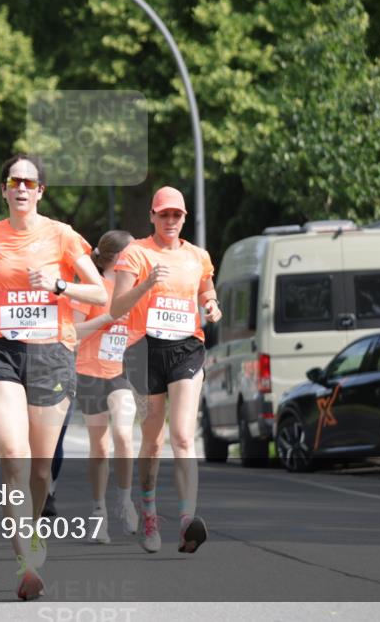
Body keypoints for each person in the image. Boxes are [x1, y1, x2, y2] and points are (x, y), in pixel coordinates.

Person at [0, 154, 107, 600]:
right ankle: (25, 563)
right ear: (3, 190)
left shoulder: (62, 235)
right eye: (13, 182)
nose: (21, 188)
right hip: (0, 351)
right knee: (14, 456)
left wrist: (59, 286)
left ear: (40, 191)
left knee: (41, 468)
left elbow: (100, 293)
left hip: (51, 354)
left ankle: (34, 527)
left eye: (29, 182)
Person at [110, 186, 222, 555]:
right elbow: (116, 308)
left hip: (186, 349)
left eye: (177, 214)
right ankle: (149, 514)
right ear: (153, 217)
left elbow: (206, 291)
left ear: (184, 218)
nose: (170, 220)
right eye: (164, 214)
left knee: (183, 436)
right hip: (144, 351)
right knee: (153, 441)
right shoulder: (135, 253)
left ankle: (188, 520)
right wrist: (146, 283)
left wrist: (212, 305)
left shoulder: (197, 256)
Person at [72, 230, 139, 542]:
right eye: (132, 251)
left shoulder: (135, 288)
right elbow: (72, 332)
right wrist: (106, 320)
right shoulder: (91, 288)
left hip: (121, 372)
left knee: (123, 434)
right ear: (117, 256)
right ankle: (98, 511)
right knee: (99, 447)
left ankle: (125, 501)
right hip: (89, 372)